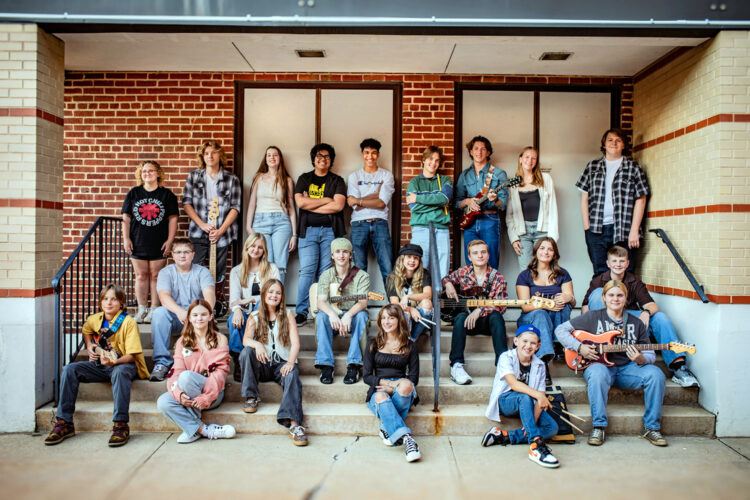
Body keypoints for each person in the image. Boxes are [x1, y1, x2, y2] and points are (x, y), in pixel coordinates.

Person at [555, 280, 667, 447]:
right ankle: (599, 426)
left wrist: (641, 359)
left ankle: (652, 428)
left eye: (620, 295)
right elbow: (560, 330)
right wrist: (579, 347)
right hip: (600, 367)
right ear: (604, 298)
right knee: (597, 373)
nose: (615, 299)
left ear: (626, 298)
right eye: (611, 295)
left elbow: (649, 352)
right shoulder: (593, 317)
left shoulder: (636, 322)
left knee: (656, 374)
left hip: (629, 369)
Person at [44, 284, 149, 447]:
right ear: (100, 302)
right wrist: (89, 345)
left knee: (120, 372)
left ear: (121, 303)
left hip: (123, 364)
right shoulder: (95, 319)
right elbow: (86, 329)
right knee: (70, 369)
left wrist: (114, 362)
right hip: (101, 366)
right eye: (105, 299)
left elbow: (132, 355)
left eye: (114, 299)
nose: (109, 303)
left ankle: (120, 425)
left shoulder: (129, 323)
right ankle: (64, 423)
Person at [581, 245, 699, 388]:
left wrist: (646, 312)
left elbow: (652, 305)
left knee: (660, 318)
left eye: (622, 261)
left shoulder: (634, 281)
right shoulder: (598, 281)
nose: (618, 264)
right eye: (614, 261)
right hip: (605, 327)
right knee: (597, 294)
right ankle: (606, 339)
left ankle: (679, 367)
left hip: (629, 324)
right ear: (608, 263)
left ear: (627, 263)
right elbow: (585, 308)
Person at [156, 299, 236, 443]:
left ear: (210, 317)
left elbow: (220, 374)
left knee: (187, 377)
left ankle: (191, 429)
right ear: (189, 318)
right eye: (195, 315)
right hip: (188, 393)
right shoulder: (182, 341)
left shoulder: (220, 339)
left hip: (213, 393)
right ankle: (202, 430)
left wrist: (206, 397)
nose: (199, 318)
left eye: (203, 314)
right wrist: (179, 394)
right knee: (163, 402)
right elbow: (176, 371)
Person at [239, 279, 307, 446]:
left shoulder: (288, 315)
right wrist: (258, 344)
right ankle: (251, 396)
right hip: (263, 364)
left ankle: (294, 425)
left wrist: (290, 362)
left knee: (292, 375)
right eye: (270, 292)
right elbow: (246, 340)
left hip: (281, 365)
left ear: (282, 296)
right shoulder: (254, 316)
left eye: (278, 293)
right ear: (263, 294)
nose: (274, 295)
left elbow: (295, 343)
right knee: (246, 352)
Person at [481, 325, 560, 469]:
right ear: (516, 341)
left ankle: (503, 435)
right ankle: (536, 445)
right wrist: (539, 396)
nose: (528, 346)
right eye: (525, 341)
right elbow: (514, 384)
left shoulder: (540, 365)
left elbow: (540, 397)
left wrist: (531, 422)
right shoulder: (506, 357)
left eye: (533, 343)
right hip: (506, 401)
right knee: (523, 397)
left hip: (528, 403)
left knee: (552, 428)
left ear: (538, 346)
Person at [577, 128, 649, 276]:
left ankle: (624, 294)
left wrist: (634, 230)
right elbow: (584, 199)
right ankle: (601, 294)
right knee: (600, 273)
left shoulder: (633, 168)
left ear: (624, 145)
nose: (614, 143)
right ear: (604, 144)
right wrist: (587, 228)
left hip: (625, 230)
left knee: (626, 273)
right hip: (596, 230)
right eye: (610, 140)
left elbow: (641, 199)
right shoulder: (592, 167)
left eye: (618, 140)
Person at [294, 143, 347, 326]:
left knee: (326, 273)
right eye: (319, 156)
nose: (323, 159)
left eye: (326, 156)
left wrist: (311, 202)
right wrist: (325, 200)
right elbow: (301, 203)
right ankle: (301, 311)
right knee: (307, 271)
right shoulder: (304, 178)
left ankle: (322, 310)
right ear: (313, 159)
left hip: (330, 232)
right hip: (307, 231)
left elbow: (338, 206)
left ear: (331, 160)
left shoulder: (337, 181)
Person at [443, 239, 508, 385]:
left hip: (487, 323)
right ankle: (456, 365)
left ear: (488, 255)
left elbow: (501, 304)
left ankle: (503, 365)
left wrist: (480, 310)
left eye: (483, 252)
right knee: (460, 317)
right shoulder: (463, 272)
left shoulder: (497, 277)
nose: (480, 256)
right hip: (467, 323)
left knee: (496, 317)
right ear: (469, 257)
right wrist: (448, 284)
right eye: (475, 253)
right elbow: (445, 278)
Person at [121, 160, 179, 323]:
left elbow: (173, 219)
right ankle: (141, 309)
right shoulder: (134, 193)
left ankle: (154, 309)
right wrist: (126, 238)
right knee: (140, 276)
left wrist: (170, 240)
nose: (147, 174)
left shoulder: (167, 195)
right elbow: (126, 218)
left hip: (159, 241)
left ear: (158, 173)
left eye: (151, 171)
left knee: (156, 276)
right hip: (138, 240)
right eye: (144, 171)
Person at [150, 239, 215, 382]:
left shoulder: (202, 272)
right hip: (175, 318)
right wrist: (180, 312)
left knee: (204, 315)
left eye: (186, 252)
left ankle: (201, 363)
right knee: (159, 313)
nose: (182, 255)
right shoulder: (165, 272)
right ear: (173, 255)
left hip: (197, 319)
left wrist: (198, 315)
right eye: (178, 252)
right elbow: (164, 297)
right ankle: (162, 363)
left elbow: (209, 295)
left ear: (193, 255)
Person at [363, 304, 421, 462]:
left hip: (401, 389)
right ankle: (407, 439)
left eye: (391, 318)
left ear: (399, 320)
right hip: (379, 388)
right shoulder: (373, 344)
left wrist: (395, 386)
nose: (386, 322)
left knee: (407, 385)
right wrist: (388, 384)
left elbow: (414, 378)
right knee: (381, 396)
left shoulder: (410, 345)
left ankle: (386, 428)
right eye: (383, 318)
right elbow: (366, 376)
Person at [182, 140, 242, 288]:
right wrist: (202, 225)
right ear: (202, 157)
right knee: (195, 269)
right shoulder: (194, 176)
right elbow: (187, 204)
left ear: (220, 155)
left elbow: (235, 208)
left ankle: (216, 298)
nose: (210, 156)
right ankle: (197, 300)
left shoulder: (231, 179)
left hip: (221, 232)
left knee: (218, 272)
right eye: (206, 153)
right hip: (198, 230)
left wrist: (220, 231)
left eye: (214, 152)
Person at [516, 237, 575, 384]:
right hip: (531, 318)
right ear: (536, 252)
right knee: (541, 313)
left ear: (554, 254)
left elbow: (572, 302)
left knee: (561, 303)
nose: (546, 252)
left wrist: (568, 298)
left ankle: (558, 343)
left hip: (554, 319)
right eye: (542, 248)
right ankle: (543, 363)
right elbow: (525, 306)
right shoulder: (524, 276)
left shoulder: (562, 274)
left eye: (550, 249)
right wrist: (547, 304)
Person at [315, 238, 370, 385]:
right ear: (332, 255)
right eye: (337, 252)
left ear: (350, 255)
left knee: (362, 316)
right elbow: (320, 301)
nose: (341, 255)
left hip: (352, 317)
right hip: (333, 317)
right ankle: (326, 365)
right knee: (321, 317)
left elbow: (363, 302)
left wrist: (349, 314)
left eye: (345, 252)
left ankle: (353, 364)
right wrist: (332, 314)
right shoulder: (326, 275)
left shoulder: (362, 275)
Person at [227, 233, 281, 381]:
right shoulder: (236, 271)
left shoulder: (272, 269)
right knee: (234, 319)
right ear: (247, 247)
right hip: (246, 312)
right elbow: (234, 300)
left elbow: (275, 294)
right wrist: (237, 310)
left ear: (264, 250)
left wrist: (250, 299)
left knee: (261, 303)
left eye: (260, 247)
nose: (256, 250)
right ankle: (239, 360)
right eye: (253, 246)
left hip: (266, 312)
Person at [347, 138, 395, 287]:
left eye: (374, 153)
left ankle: (393, 300)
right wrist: (376, 194)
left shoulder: (386, 175)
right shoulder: (354, 176)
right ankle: (360, 301)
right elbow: (354, 206)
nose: (370, 156)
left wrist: (359, 200)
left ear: (378, 154)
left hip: (380, 223)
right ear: (362, 154)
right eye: (367, 152)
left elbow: (381, 203)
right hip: (358, 224)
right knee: (358, 268)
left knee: (387, 267)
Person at [245, 146, 297, 284]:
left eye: (275, 155)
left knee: (280, 265)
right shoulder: (258, 178)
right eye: (269, 155)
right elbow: (252, 204)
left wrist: (294, 234)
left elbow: (291, 208)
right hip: (260, 222)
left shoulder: (287, 180)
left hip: (282, 223)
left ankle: (278, 296)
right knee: (265, 263)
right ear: (265, 159)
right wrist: (248, 227)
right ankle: (265, 296)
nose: (272, 157)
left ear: (280, 159)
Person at [455, 136, 508, 269]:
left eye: (483, 149)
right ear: (471, 152)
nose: (479, 152)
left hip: (490, 220)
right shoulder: (465, 175)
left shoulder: (498, 174)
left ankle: (491, 284)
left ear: (488, 152)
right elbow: (456, 202)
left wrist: (495, 199)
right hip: (470, 223)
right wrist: (467, 201)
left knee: (491, 262)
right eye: (476, 149)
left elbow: (503, 204)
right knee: (471, 263)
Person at [506, 147, 559, 270]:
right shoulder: (513, 183)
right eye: (527, 157)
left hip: (543, 232)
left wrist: (552, 238)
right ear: (520, 159)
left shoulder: (545, 179)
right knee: (525, 271)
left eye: (533, 158)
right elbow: (509, 215)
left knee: (544, 269)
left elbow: (553, 209)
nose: (530, 161)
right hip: (523, 234)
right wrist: (513, 238)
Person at [406, 145, 453, 280]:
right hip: (421, 228)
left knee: (443, 268)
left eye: (437, 160)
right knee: (421, 266)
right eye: (430, 159)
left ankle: (440, 294)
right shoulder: (414, 182)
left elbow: (444, 199)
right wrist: (437, 204)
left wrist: (418, 198)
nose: (433, 163)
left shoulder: (445, 180)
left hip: (441, 228)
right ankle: (421, 294)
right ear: (423, 160)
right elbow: (415, 208)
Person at [385, 244, 433, 341]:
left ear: (419, 261)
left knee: (427, 303)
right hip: (403, 318)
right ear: (402, 259)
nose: (412, 261)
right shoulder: (392, 278)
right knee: (404, 311)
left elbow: (428, 295)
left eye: (416, 258)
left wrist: (407, 297)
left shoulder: (425, 274)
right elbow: (395, 304)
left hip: (420, 319)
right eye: (409, 257)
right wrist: (411, 309)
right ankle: (406, 340)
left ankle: (411, 340)